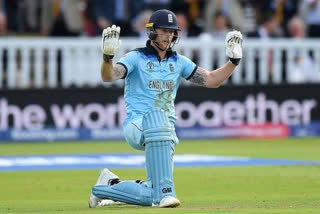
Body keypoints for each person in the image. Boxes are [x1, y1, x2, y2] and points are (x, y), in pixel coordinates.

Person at [88, 9, 243, 208]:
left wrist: (233, 62)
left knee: (150, 194)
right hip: (138, 124)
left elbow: (212, 80)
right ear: (152, 31)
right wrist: (108, 57)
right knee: (159, 135)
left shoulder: (178, 62)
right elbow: (108, 76)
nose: (168, 36)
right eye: (164, 31)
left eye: (171, 32)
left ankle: (107, 185)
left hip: (166, 132)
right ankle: (166, 194)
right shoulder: (136, 58)